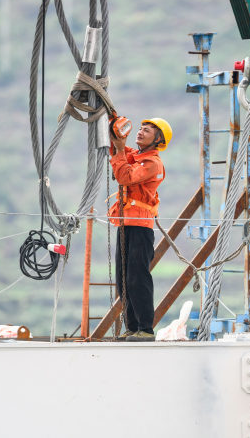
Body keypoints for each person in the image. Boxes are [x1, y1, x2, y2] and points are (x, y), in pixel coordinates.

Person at [108, 117, 172, 342]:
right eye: (141, 129)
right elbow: (119, 150)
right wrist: (112, 123)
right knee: (123, 278)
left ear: (158, 140)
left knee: (137, 276)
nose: (141, 132)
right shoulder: (138, 157)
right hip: (126, 224)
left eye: (147, 131)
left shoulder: (152, 163)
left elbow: (124, 175)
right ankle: (132, 327)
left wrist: (118, 149)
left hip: (140, 227)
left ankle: (145, 328)